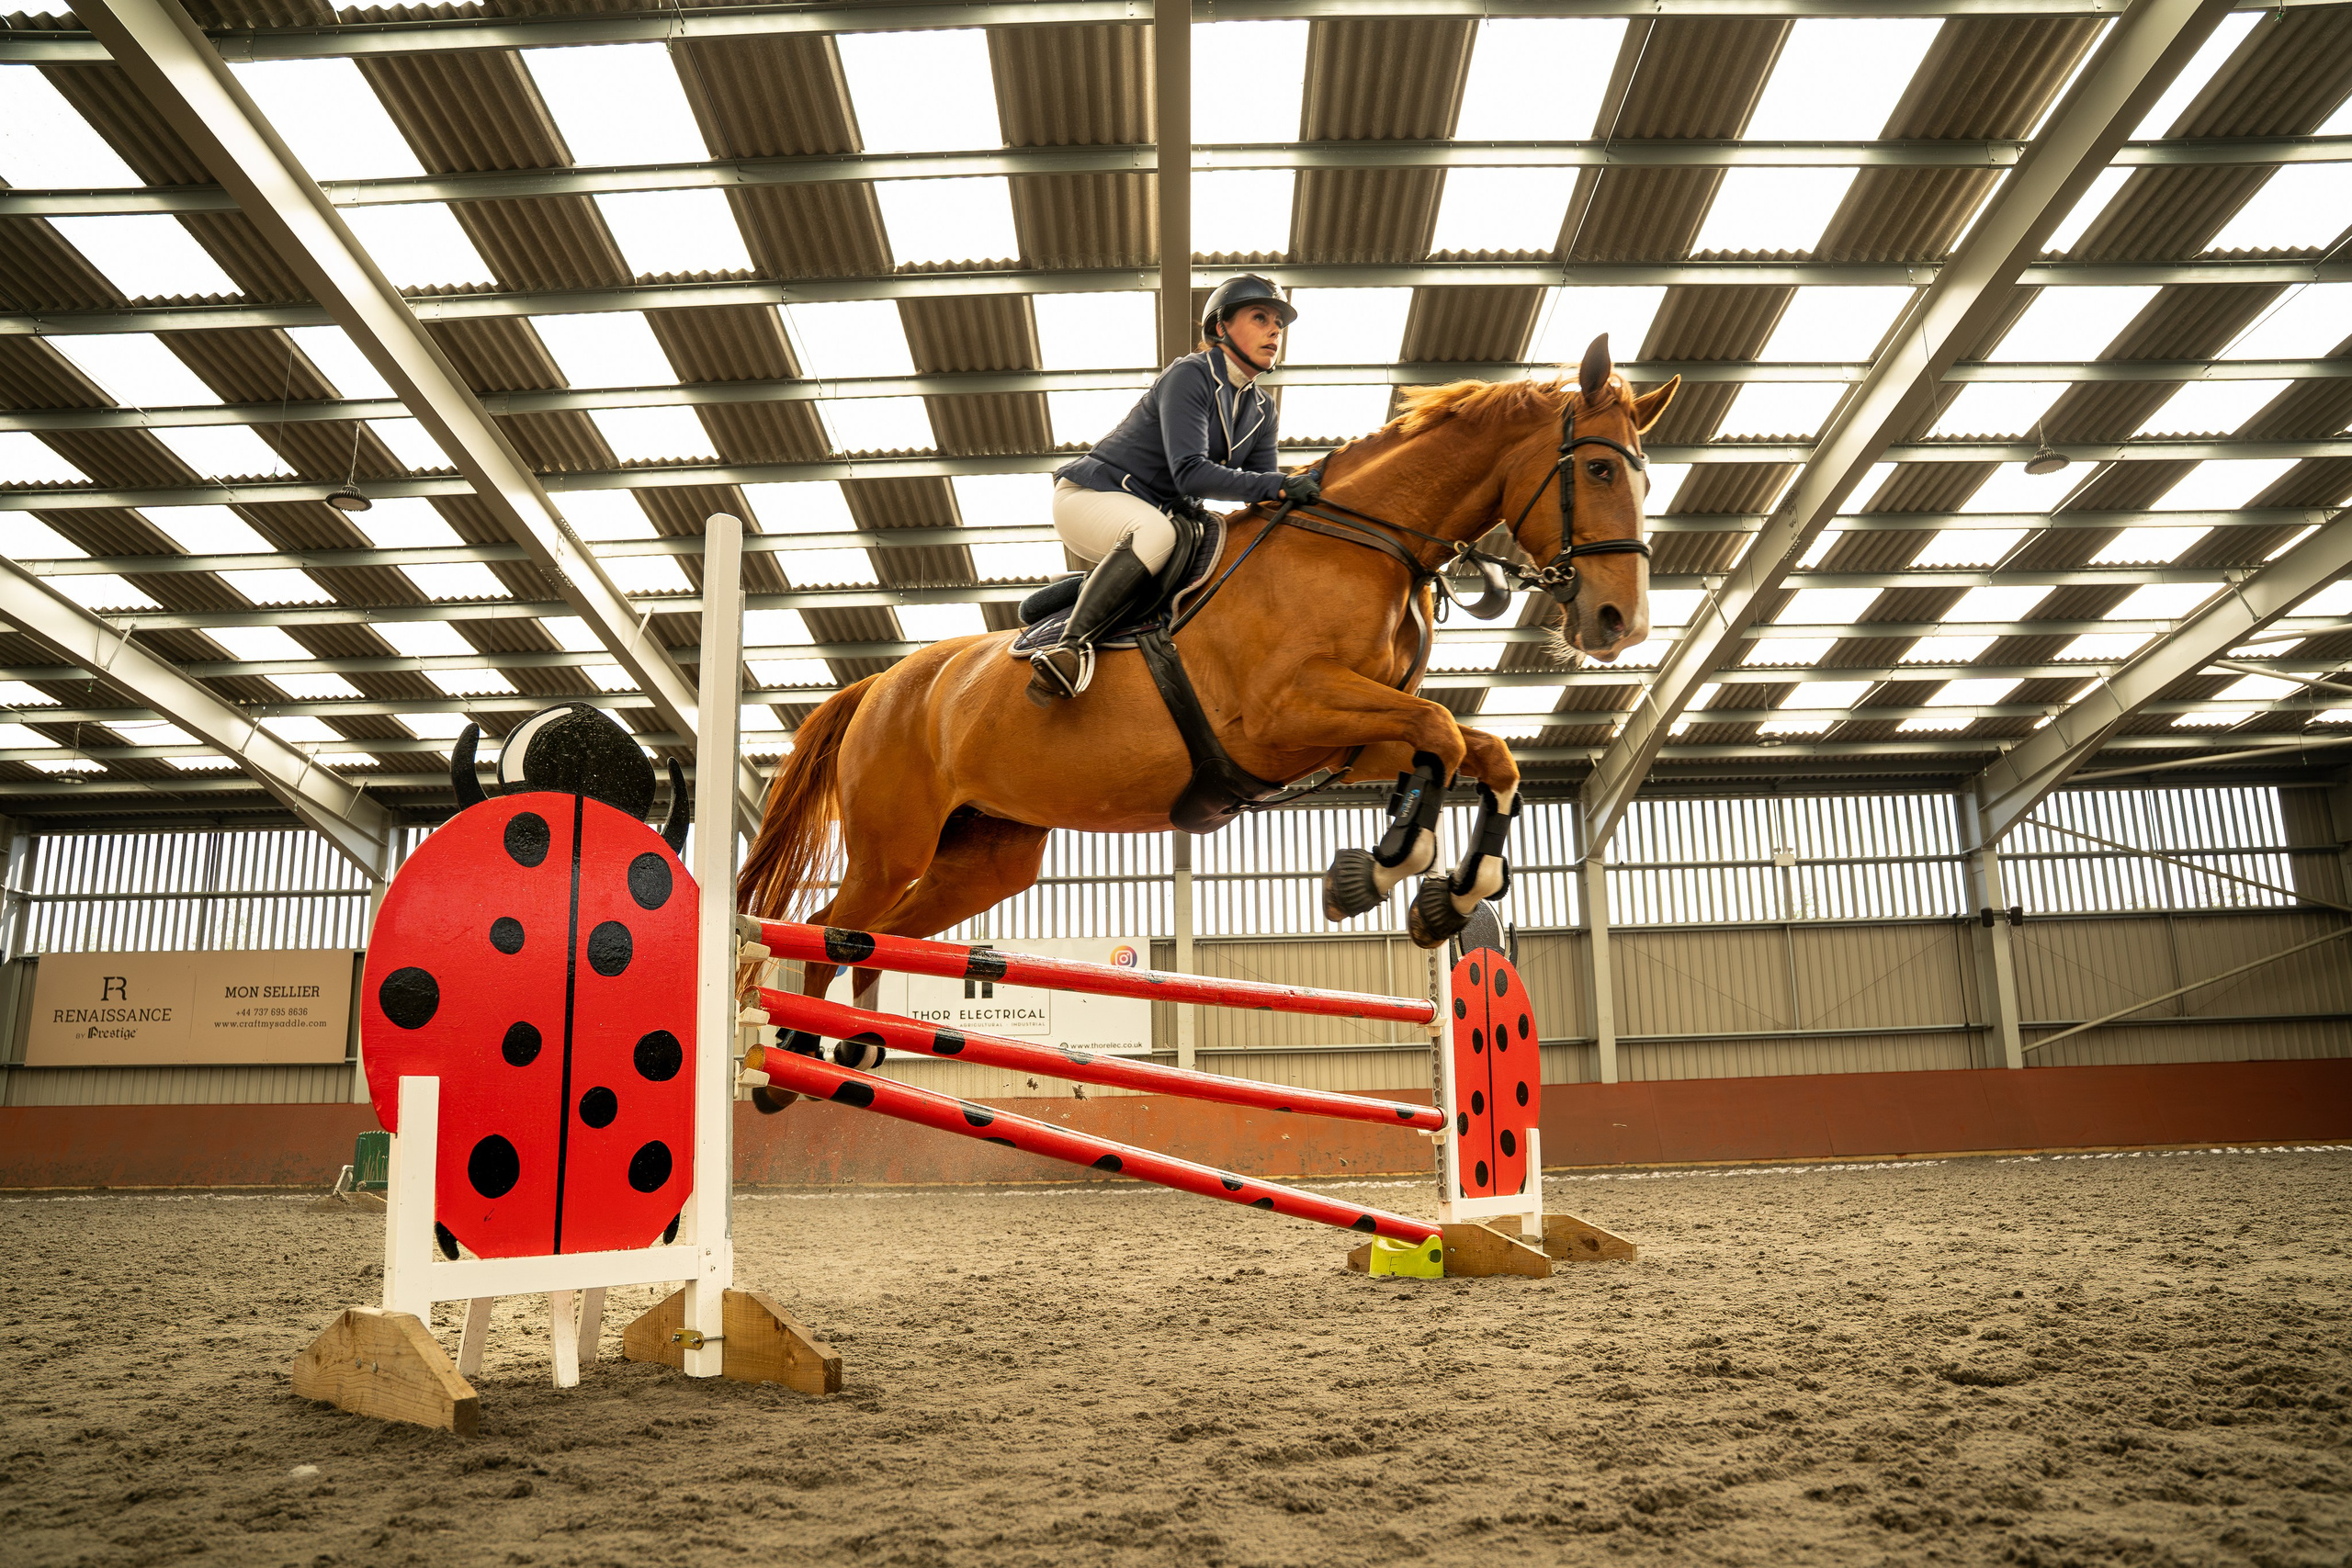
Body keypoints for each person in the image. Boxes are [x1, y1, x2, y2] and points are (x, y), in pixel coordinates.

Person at [1027, 274, 1324, 705]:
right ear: (1221, 327)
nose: (1275, 330)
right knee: (1156, 535)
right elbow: (1191, 473)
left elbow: (1260, 495)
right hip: (1093, 496)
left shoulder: (1262, 408)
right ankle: (1067, 649)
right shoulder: (1191, 374)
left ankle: (1084, 591)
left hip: (1152, 512)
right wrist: (1281, 484)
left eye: (1279, 322)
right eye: (1260, 317)